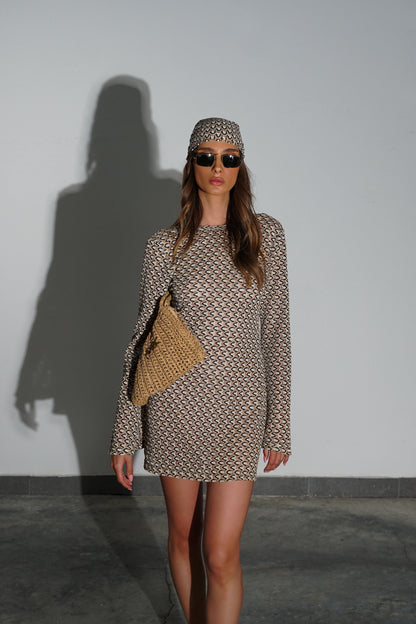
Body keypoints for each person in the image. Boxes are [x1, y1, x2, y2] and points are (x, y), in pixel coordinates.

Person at [109, 117, 291, 624]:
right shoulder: (164, 245)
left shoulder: (267, 236)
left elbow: (277, 335)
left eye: (230, 158)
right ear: (191, 163)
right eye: (206, 156)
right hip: (176, 409)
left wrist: (278, 424)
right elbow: (142, 341)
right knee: (183, 538)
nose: (218, 167)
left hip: (239, 413)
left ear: (241, 166)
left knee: (221, 553)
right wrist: (125, 434)